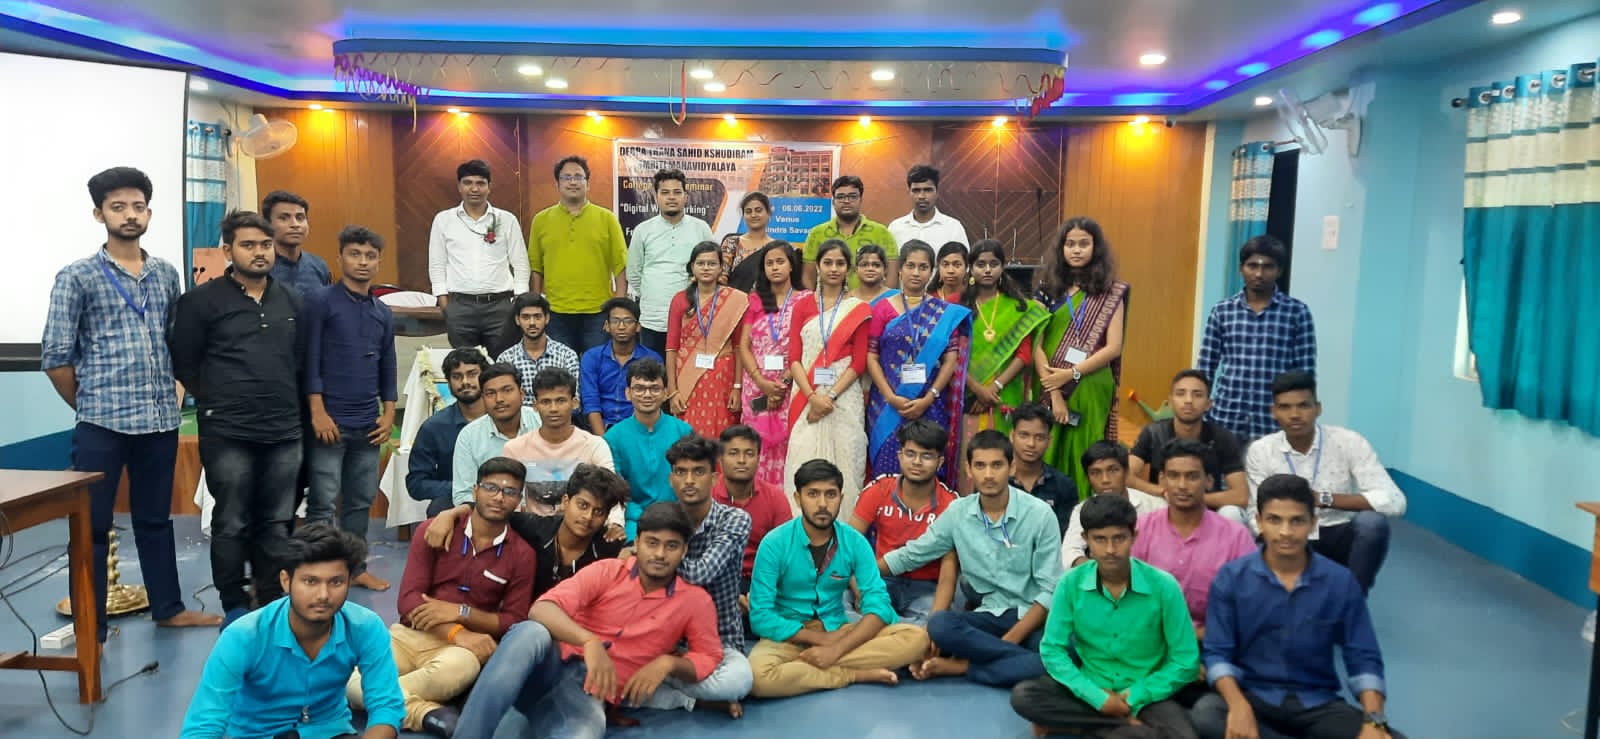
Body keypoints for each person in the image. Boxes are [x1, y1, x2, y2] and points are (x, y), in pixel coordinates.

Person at [44, 166, 220, 639]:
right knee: (92, 526)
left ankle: (169, 607)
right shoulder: (77, 276)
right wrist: (88, 405)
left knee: (155, 521)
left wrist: (175, 393)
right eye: (118, 207)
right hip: (101, 424)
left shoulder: (166, 274)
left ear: (148, 213)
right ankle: (93, 627)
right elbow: (56, 357)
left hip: (159, 422)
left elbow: (176, 342)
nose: (129, 215)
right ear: (99, 214)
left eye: (137, 206)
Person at [452, 503, 724, 739]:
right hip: (547, 668)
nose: (660, 554)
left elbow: (709, 655)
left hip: (588, 695)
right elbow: (542, 608)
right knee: (531, 632)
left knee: (585, 733)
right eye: (652, 543)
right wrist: (589, 641)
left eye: (671, 546)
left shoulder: (694, 601)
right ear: (638, 542)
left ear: (684, 550)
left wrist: (668, 663)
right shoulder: (607, 571)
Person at [1192, 475, 1403, 739]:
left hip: (1317, 703)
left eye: (1297, 521)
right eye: (1274, 520)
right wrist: (1237, 705)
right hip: (1253, 697)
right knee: (1207, 715)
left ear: (1312, 523)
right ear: (1259, 522)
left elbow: (1363, 656)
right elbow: (1217, 653)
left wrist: (1374, 721)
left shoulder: (1340, 581)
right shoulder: (1232, 578)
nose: (1285, 532)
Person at [169, 210, 302, 625]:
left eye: (265, 245)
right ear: (228, 250)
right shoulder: (200, 302)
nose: (259, 252)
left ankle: (270, 598)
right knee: (231, 521)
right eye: (248, 245)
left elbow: (299, 362)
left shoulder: (291, 300)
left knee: (277, 521)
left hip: (284, 430)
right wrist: (222, 398)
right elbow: (185, 362)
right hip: (228, 431)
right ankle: (235, 605)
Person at [349, 458, 537, 737]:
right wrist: (456, 631)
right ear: (475, 491)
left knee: (456, 671)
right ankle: (425, 713)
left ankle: (377, 700)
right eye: (491, 488)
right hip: (410, 635)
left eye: (509, 492)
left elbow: (513, 620)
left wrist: (461, 613)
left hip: (461, 652)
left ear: (519, 500)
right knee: (352, 679)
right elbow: (409, 601)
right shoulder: (434, 530)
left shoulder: (522, 554)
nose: (499, 497)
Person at [181, 525, 404, 739]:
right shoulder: (243, 636)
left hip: (331, 732)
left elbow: (386, 706)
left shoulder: (365, 627)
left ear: (349, 582)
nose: (323, 595)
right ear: (286, 581)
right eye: (310, 581)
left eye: (336, 582)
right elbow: (203, 727)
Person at [1009, 495, 1200, 739]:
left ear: (1134, 536)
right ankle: (1125, 727)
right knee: (1024, 696)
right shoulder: (1070, 584)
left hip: (1147, 693)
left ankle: (1086, 728)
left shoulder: (1164, 586)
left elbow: (1185, 660)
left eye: (1119, 538)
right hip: (1090, 688)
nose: (1110, 550)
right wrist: (1097, 698)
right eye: (1100, 539)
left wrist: (1136, 695)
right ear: (1086, 539)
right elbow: (1052, 650)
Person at [883, 431, 1061, 688]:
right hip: (987, 616)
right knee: (940, 625)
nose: (988, 474)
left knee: (1067, 651)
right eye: (980, 465)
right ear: (969, 469)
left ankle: (962, 666)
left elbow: (1049, 591)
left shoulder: (1040, 515)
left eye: (997, 465)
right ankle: (1012, 663)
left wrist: (1006, 643)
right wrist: (859, 572)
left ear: (1011, 467)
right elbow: (913, 554)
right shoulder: (958, 512)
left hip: (1032, 618)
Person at [748, 459, 931, 698]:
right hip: (787, 634)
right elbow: (760, 616)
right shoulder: (774, 543)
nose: (822, 504)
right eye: (813, 494)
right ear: (797, 498)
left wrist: (836, 649)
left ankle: (807, 669)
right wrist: (820, 640)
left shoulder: (854, 542)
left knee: (916, 638)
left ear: (841, 498)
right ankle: (853, 674)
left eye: (830, 494)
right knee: (758, 677)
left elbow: (878, 604)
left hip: (838, 629)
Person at [1245, 371, 1406, 593]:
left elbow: (1395, 501)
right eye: (1285, 407)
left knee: (1372, 524)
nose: (1295, 415)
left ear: (1318, 408)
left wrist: (1324, 498)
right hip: (1289, 533)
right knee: (1258, 537)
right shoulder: (1262, 450)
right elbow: (1255, 514)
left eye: (1303, 406)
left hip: (1337, 531)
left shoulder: (1348, 442)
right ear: (1274, 412)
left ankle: (1352, 599)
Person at [303, 225, 396, 591]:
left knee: (360, 500)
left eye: (370, 256)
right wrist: (317, 410)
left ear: (379, 262)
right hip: (330, 422)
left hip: (368, 424)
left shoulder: (382, 311)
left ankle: (354, 570)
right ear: (339, 257)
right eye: (355, 254)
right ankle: (316, 571)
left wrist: (389, 413)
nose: (362, 262)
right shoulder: (320, 301)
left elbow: (388, 365)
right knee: (323, 502)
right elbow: (310, 359)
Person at [645, 435, 755, 717]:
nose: (689, 481)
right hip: (668, 643)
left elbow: (701, 572)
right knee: (611, 667)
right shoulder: (660, 518)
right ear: (671, 479)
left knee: (740, 681)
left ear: (714, 478)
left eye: (698, 472)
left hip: (720, 643)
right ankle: (692, 699)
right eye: (681, 472)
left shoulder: (734, 519)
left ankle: (662, 681)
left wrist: (651, 554)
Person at [430, 463, 628, 600]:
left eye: (598, 512)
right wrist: (451, 513)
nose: (588, 516)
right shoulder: (536, 528)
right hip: (530, 623)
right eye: (582, 505)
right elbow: (490, 511)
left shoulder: (609, 546)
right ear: (566, 502)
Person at [1034, 216, 1130, 496]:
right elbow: (1036, 344)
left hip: (1091, 383)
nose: (1076, 250)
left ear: (1095, 248)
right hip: (1049, 382)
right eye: (1070, 244)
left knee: (1087, 449)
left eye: (1084, 244)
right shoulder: (1047, 290)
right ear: (1061, 248)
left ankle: (1088, 510)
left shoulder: (1110, 291)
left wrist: (1072, 373)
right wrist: (1054, 392)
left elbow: (1113, 347)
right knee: (1049, 449)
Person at [865, 240, 970, 485]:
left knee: (927, 466)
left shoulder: (944, 312)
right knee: (886, 470)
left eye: (923, 267)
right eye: (910, 266)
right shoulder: (882, 308)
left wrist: (929, 397)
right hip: (887, 405)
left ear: (932, 271)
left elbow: (951, 359)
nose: (916, 272)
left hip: (930, 404)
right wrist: (891, 397)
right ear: (900, 269)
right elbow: (872, 356)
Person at [1198, 234, 1317, 442]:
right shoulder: (1222, 311)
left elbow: (1304, 375)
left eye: (1268, 266)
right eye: (1252, 266)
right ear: (1241, 269)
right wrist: (1201, 415)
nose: (1259, 273)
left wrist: (1300, 420)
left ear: (1279, 271)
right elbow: (1205, 369)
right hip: (1226, 419)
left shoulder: (1297, 313)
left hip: (1273, 424)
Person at [1131, 439, 1256, 634]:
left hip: (1216, 641)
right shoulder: (1140, 529)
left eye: (1192, 477)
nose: (1182, 485)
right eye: (1174, 476)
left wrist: (1198, 637)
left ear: (1209, 481)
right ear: (1162, 479)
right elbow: (1126, 597)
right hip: (1149, 638)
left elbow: (1248, 603)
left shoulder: (1236, 537)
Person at [783, 239, 872, 510]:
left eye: (840, 263)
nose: (834, 268)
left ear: (848, 269)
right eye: (828, 262)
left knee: (846, 461)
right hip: (806, 396)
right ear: (818, 266)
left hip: (843, 398)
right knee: (802, 457)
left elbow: (859, 363)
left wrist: (829, 397)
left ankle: (844, 526)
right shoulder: (802, 305)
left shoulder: (858, 309)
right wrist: (813, 398)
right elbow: (794, 359)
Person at [849, 420, 960, 626]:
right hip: (880, 581)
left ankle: (882, 630)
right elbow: (848, 548)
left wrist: (935, 623)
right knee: (835, 605)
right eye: (910, 454)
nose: (917, 462)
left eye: (926, 456)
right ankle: (895, 633)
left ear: (940, 462)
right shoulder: (878, 489)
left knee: (939, 624)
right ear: (900, 455)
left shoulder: (952, 504)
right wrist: (861, 593)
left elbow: (948, 572)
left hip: (925, 588)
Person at [500, 367, 624, 534]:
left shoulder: (594, 445)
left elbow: (611, 492)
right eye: (546, 402)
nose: (553, 408)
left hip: (583, 531)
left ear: (574, 403)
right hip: (533, 533)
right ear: (535, 405)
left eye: (560, 401)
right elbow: (508, 498)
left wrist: (615, 523)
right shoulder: (515, 449)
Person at [529, 155, 629, 356]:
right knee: (561, 370)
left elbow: (621, 267)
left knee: (595, 367)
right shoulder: (541, 220)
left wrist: (618, 311)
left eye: (578, 177)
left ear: (587, 183)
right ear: (557, 184)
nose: (573, 182)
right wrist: (537, 308)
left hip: (598, 312)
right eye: (566, 177)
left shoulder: (607, 218)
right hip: (556, 312)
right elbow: (536, 268)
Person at [428, 159, 529, 355]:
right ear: (459, 186)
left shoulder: (506, 220)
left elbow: (521, 264)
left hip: (501, 308)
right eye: (468, 183)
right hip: (459, 307)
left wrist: (519, 300)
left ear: (489, 187)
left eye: (480, 183)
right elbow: (437, 264)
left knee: (502, 365)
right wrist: (445, 304)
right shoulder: (443, 220)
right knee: (466, 366)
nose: (474, 189)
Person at [1129, 369, 1250, 526]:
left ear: (1208, 404)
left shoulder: (1223, 437)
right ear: (1170, 401)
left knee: (1232, 513)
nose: (1188, 400)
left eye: (1197, 395)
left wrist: (1192, 498)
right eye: (1181, 394)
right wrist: (1161, 491)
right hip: (1163, 504)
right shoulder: (1153, 433)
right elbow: (1126, 475)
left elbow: (1241, 496)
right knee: (1130, 499)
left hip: (1207, 509)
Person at [738, 241, 811, 489]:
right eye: (769, 263)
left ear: (791, 266)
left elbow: (807, 346)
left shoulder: (806, 300)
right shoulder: (755, 300)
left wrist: (782, 383)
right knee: (755, 445)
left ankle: (785, 502)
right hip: (756, 388)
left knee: (788, 445)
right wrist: (762, 383)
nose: (775, 267)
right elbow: (744, 346)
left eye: (780, 261)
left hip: (790, 387)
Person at [963, 239, 1050, 438]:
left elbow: (1024, 355)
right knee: (970, 447)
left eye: (993, 264)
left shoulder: (1019, 307)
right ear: (971, 269)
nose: (987, 270)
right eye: (980, 264)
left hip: (1005, 390)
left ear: (1002, 267)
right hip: (969, 392)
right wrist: (977, 389)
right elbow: (951, 355)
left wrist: (995, 387)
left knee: (1005, 446)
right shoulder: (958, 306)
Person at [666, 241, 749, 438]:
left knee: (722, 433)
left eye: (712, 264)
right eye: (700, 263)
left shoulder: (736, 300)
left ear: (721, 268)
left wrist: (737, 387)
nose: (706, 268)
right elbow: (671, 348)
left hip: (723, 379)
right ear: (692, 267)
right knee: (688, 435)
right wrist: (673, 391)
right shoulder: (680, 300)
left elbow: (739, 347)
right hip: (687, 377)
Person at [629, 168, 716, 354]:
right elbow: (634, 273)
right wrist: (653, 293)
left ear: (686, 196)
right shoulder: (643, 230)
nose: (671, 197)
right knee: (652, 369)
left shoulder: (701, 229)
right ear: (656, 197)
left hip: (691, 315)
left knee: (688, 369)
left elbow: (712, 266)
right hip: (653, 319)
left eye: (677, 192)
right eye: (665, 192)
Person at [605, 358, 693, 539]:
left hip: (678, 517)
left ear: (665, 393)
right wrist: (641, 517)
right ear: (628, 393)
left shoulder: (683, 431)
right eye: (639, 388)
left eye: (654, 388)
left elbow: (692, 483)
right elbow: (617, 492)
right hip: (633, 521)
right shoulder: (613, 438)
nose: (647, 395)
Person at [406, 348, 490, 517]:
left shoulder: (503, 417)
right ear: (448, 382)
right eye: (457, 376)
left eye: (472, 374)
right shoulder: (434, 427)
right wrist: (462, 489)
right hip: (454, 500)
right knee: (438, 510)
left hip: (506, 496)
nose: (465, 382)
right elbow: (416, 483)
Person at [710, 425, 792, 591]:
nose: (742, 460)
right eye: (733, 453)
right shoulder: (706, 498)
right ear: (720, 458)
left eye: (749, 453)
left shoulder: (775, 498)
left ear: (758, 458)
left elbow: (785, 551)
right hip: (716, 580)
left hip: (763, 578)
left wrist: (761, 593)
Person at [1062, 441, 1167, 568]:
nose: (1105, 480)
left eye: (1113, 470)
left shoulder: (1155, 506)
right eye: (1095, 472)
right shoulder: (1081, 510)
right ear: (1088, 478)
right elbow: (1069, 552)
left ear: (1126, 472)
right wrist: (1099, 572)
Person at [450, 363, 541, 506]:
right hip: (493, 513)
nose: (499, 399)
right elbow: (463, 494)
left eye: (507, 390)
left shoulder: (541, 422)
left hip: (542, 510)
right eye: (490, 393)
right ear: (483, 398)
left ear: (522, 394)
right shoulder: (469, 436)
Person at [579, 297, 662, 434]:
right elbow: (591, 402)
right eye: (615, 321)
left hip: (639, 429)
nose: (621, 326)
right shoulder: (592, 357)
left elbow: (654, 402)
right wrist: (603, 441)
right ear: (607, 326)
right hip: (602, 429)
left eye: (628, 321)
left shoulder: (652, 359)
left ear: (638, 326)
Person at [802, 175, 898, 289]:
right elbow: (808, 278)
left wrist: (882, 300)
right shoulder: (817, 234)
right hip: (829, 300)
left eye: (852, 196)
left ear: (861, 200)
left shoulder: (882, 233)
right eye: (841, 197)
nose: (846, 201)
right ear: (833, 202)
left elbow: (892, 279)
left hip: (872, 300)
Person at [497, 293, 581, 408]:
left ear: (547, 318)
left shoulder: (567, 355)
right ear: (517, 320)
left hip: (557, 416)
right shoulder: (506, 359)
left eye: (537, 317)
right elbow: (504, 400)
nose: (532, 323)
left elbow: (574, 400)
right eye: (526, 317)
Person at [1008, 403, 1078, 535]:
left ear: (1049, 441)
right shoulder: (997, 481)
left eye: (1039, 437)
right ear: (1012, 436)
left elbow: (1065, 536)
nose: (1031, 444)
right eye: (1024, 435)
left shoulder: (1063, 485)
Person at [262, 190, 331, 297]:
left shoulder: (319, 265)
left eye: (300, 218)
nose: (295, 224)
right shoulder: (260, 267)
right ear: (267, 224)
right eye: (284, 218)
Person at [887, 164, 969, 250]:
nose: (921, 196)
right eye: (916, 190)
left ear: (937, 192)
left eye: (927, 190)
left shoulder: (953, 228)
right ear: (909, 193)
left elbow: (962, 258)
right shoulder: (895, 228)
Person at [719, 191, 775, 292]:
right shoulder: (732, 243)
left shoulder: (776, 247)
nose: (753, 215)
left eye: (758, 210)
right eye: (748, 211)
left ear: (768, 213)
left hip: (765, 300)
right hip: (734, 299)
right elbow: (721, 279)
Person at [849, 242, 900, 306]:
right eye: (864, 265)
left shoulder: (897, 297)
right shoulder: (847, 299)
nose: (870, 269)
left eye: (876, 265)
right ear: (856, 269)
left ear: (885, 269)